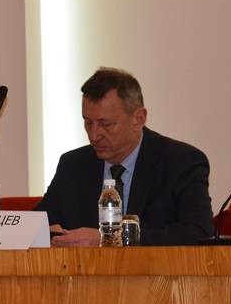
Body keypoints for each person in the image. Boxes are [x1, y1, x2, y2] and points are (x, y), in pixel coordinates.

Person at [37, 67, 214, 246]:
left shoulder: (181, 162)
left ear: (138, 119)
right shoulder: (73, 165)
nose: (94, 135)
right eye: (88, 122)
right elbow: (35, 226)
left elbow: (199, 233)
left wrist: (109, 238)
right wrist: (47, 234)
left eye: (106, 124)